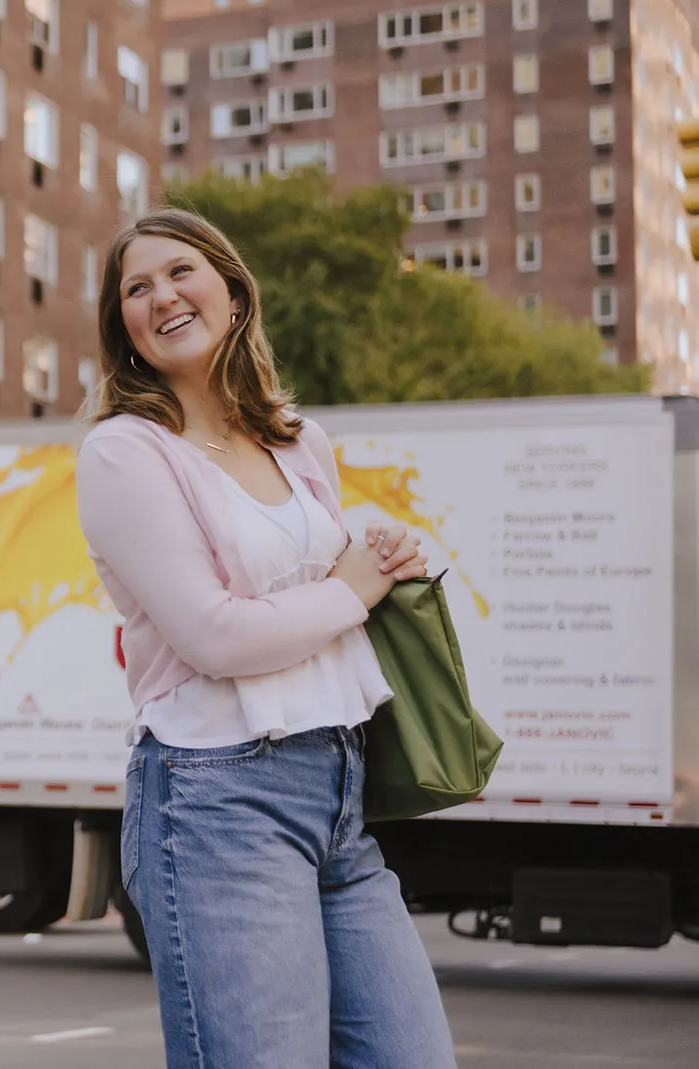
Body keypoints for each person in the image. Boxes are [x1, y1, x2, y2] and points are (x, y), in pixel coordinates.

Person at [75, 208, 457, 1068]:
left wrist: (379, 559)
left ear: (232, 287)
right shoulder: (125, 453)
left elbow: (324, 584)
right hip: (216, 799)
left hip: (338, 790)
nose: (161, 296)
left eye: (181, 272)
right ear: (124, 327)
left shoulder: (298, 438)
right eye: (136, 289)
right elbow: (216, 634)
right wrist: (351, 592)